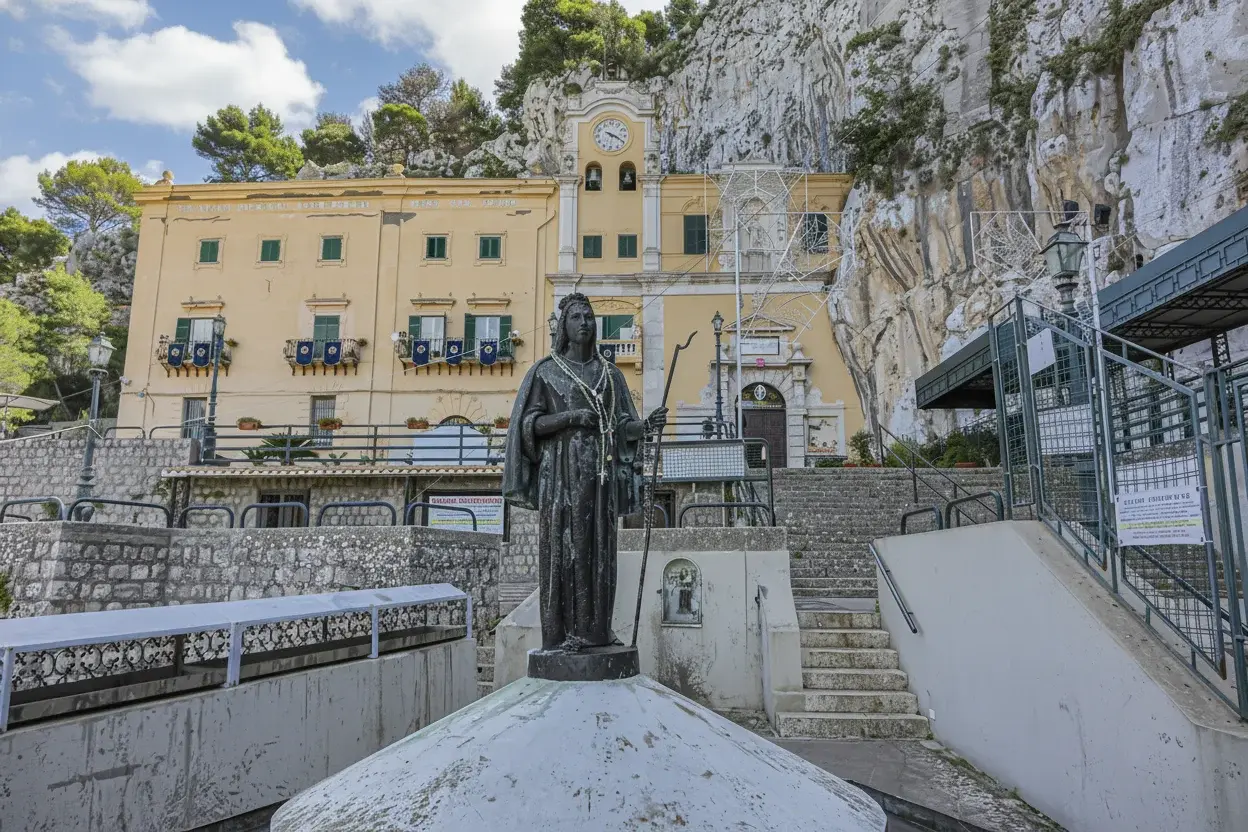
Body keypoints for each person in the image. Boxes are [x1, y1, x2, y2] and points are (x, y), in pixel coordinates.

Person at [503, 293, 666, 651]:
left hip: (599, 478)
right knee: (561, 551)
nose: (585, 323)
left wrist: (645, 427)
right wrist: (571, 418)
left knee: (599, 551)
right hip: (560, 477)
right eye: (577, 317)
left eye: (589, 317)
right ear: (564, 326)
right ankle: (560, 636)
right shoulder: (546, 372)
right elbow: (529, 425)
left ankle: (596, 632)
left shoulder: (610, 375)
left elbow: (621, 426)